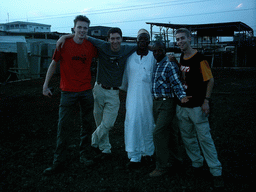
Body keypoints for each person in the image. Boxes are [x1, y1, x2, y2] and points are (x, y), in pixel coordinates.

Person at [57, 27, 137, 159]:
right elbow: (82, 35)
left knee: (108, 124)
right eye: (112, 38)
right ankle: (105, 148)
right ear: (108, 39)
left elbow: (144, 45)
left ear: (121, 39)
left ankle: (92, 141)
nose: (115, 41)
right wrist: (64, 37)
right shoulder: (102, 45)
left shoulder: (127, 48)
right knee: (100, 123)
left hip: (114, 92)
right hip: (98, 89)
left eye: (117, 38)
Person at [42, 15, 98, 175]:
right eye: (79, 27)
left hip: (86, 91)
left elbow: (106, 51)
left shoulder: (90, 46)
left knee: (87, 125)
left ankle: (85, 155)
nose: (82, 30)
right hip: (68, 92)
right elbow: (53, 64)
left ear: (88, 30)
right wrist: (45, 85)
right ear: (73, 28)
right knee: (63, 126)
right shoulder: (63, 44)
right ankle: (58, 162)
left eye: (85, 28)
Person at [175, 28, 224, 188]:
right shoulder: (182, 56)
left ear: (190, 38)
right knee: (188, 138)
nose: (180, 42)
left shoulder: (200, 59)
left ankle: (216, 171)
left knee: (205, 139)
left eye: (182, 38)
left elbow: (210, 81)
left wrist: (206, 101)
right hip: (183, 106)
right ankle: (197, 163)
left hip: (197, 106)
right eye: (177, 39)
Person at [149, 41, 191, 177]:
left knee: (158, 133)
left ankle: (162, 166)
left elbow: (176, 83)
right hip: (157, 103)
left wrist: (182, 96)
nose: (156, 53)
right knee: (171, 132)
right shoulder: (156, 65)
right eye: (154, 51)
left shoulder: (169, 64)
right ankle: (177, 161)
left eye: (159, 50)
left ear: (164, 50)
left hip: (167, 103)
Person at [120, 29, 155, 169]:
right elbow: (125, 81)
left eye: (145, 39)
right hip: (133, 99)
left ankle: (148, 153)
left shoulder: (154, 57)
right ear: (136, 40)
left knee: (148, 123)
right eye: (140, 39)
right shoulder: (130, 58)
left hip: (149, 99)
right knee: (133, 124)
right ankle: (134, 156)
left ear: (149, 41)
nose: (142, 41)